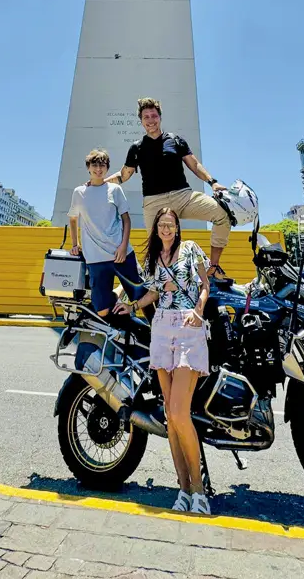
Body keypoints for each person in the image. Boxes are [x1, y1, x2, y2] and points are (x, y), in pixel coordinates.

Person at [114, 207, 211, 515]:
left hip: (188, 326)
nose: (167, 229)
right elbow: (153, 293)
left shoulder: (191, 249)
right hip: (161, 328)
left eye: (171, 225)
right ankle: (183, 488)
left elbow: (205, 284)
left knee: (181, 413)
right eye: (162, 225)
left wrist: (199, 309)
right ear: (156, 230)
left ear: (177, 228)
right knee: (170, 416)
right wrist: (131, 306)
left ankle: (199, 489)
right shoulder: (156, 260)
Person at [106, 97, 231, 280]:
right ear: (141, 121)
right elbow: (123, 175)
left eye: (154, 115)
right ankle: (153, 293)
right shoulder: (137, 148)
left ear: (160, 117)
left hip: (183, 196)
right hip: (154, 202)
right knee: (155, 253)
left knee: (222, 215)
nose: (150, 120)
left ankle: (213, 267)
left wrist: (213, 182)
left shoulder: (175, 140)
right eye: (146, 117)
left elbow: (194, 165)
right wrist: (99, 183)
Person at [68, 148, 144, 318]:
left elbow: (126, 219)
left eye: (103, 165)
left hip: (121, 254)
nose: (98, 169)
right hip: (96, 258)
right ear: (88, 167)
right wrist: (75, 244)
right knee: (102, 310)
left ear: (107, 168)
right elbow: (73, 219)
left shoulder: (114, 190)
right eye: (94, 165)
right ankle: (119, 291)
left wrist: (124, 246)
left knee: (142, 298)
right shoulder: (79, 192)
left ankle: (156, 333)